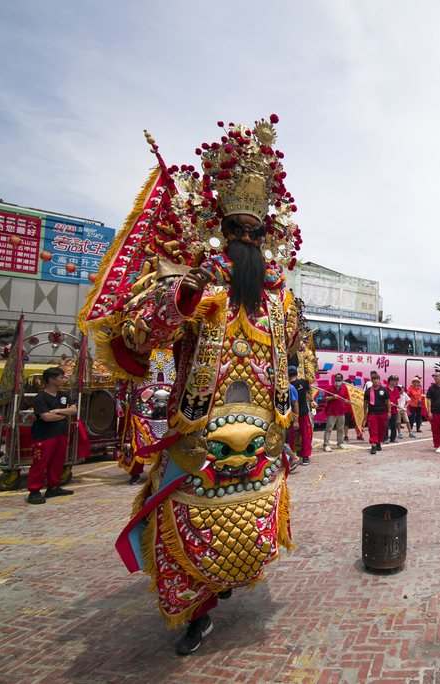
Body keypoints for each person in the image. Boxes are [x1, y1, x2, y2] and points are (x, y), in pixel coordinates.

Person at [95, 117, 308, 654]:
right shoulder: (196, 282)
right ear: (219, 230)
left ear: (268, 239)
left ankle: (231, 578)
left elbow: (298, 359)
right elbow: (137, 340)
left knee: (251, 516)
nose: (246, 244)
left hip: (262, 436)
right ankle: (195, 612)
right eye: (237, 233)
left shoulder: (281, 300)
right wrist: (181, 298)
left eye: (255, 236)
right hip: (199, 434)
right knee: (189, 517)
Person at [27, 366, 77, 505]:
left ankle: (53, 486)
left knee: (58, 461)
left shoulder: (63, 395)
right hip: (44, 434)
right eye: (61, 377)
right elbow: (46, 417)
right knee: (40, 463)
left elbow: (73, 410)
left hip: (61, 432)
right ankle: (34, 491)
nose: (63, 379)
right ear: (51, 379)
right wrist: (62, 414)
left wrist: (56, 411)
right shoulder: (40, 397)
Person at [288, 367, 312, 466]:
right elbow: (308, 392)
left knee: (289, 437)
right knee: (306, 435)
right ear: (297, 373)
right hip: (303, 413)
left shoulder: (287, 386)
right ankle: (305, 457)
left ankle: (289, 456)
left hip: (291, 415)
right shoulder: (303, 382)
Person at [364, 372, 391, 455]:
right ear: (371, 380)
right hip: (372, 413)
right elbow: (365, 403)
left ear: (379, 380)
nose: (376, 381)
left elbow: (388, 401)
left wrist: (389, 412)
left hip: (382, 412)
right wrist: (365, 413)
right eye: (374, 379)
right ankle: (373, 445)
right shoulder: (368, 391)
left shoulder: (384, 390)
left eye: (377, 379)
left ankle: (378, 442)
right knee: (373, 430)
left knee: (381, 429)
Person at [323, 373, 350, 451]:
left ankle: (340, 443)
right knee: (329, 428)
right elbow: (324, 398)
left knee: (340, 428)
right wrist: (332, 397)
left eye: (339, 380)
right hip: (331, 412)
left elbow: (345, 399)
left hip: (341, 411)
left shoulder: (344, 388)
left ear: (342, 381)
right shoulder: (330, 388)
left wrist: (348, 402)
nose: (337, 381)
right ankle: (326, 444)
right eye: (336, 380)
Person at [385, 375, 402, 443]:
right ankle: (385, 438)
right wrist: (388, 403)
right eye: (394, 380)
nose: (396, 382)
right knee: (386, 425)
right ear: (390, 381)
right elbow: (383, 399)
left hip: (394, 410)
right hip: (387, 410)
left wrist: (398, 404)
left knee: (393, 425)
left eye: (396, 380)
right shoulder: (385, 389)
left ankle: (393, 438)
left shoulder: (396, 389)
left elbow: (398, 398)